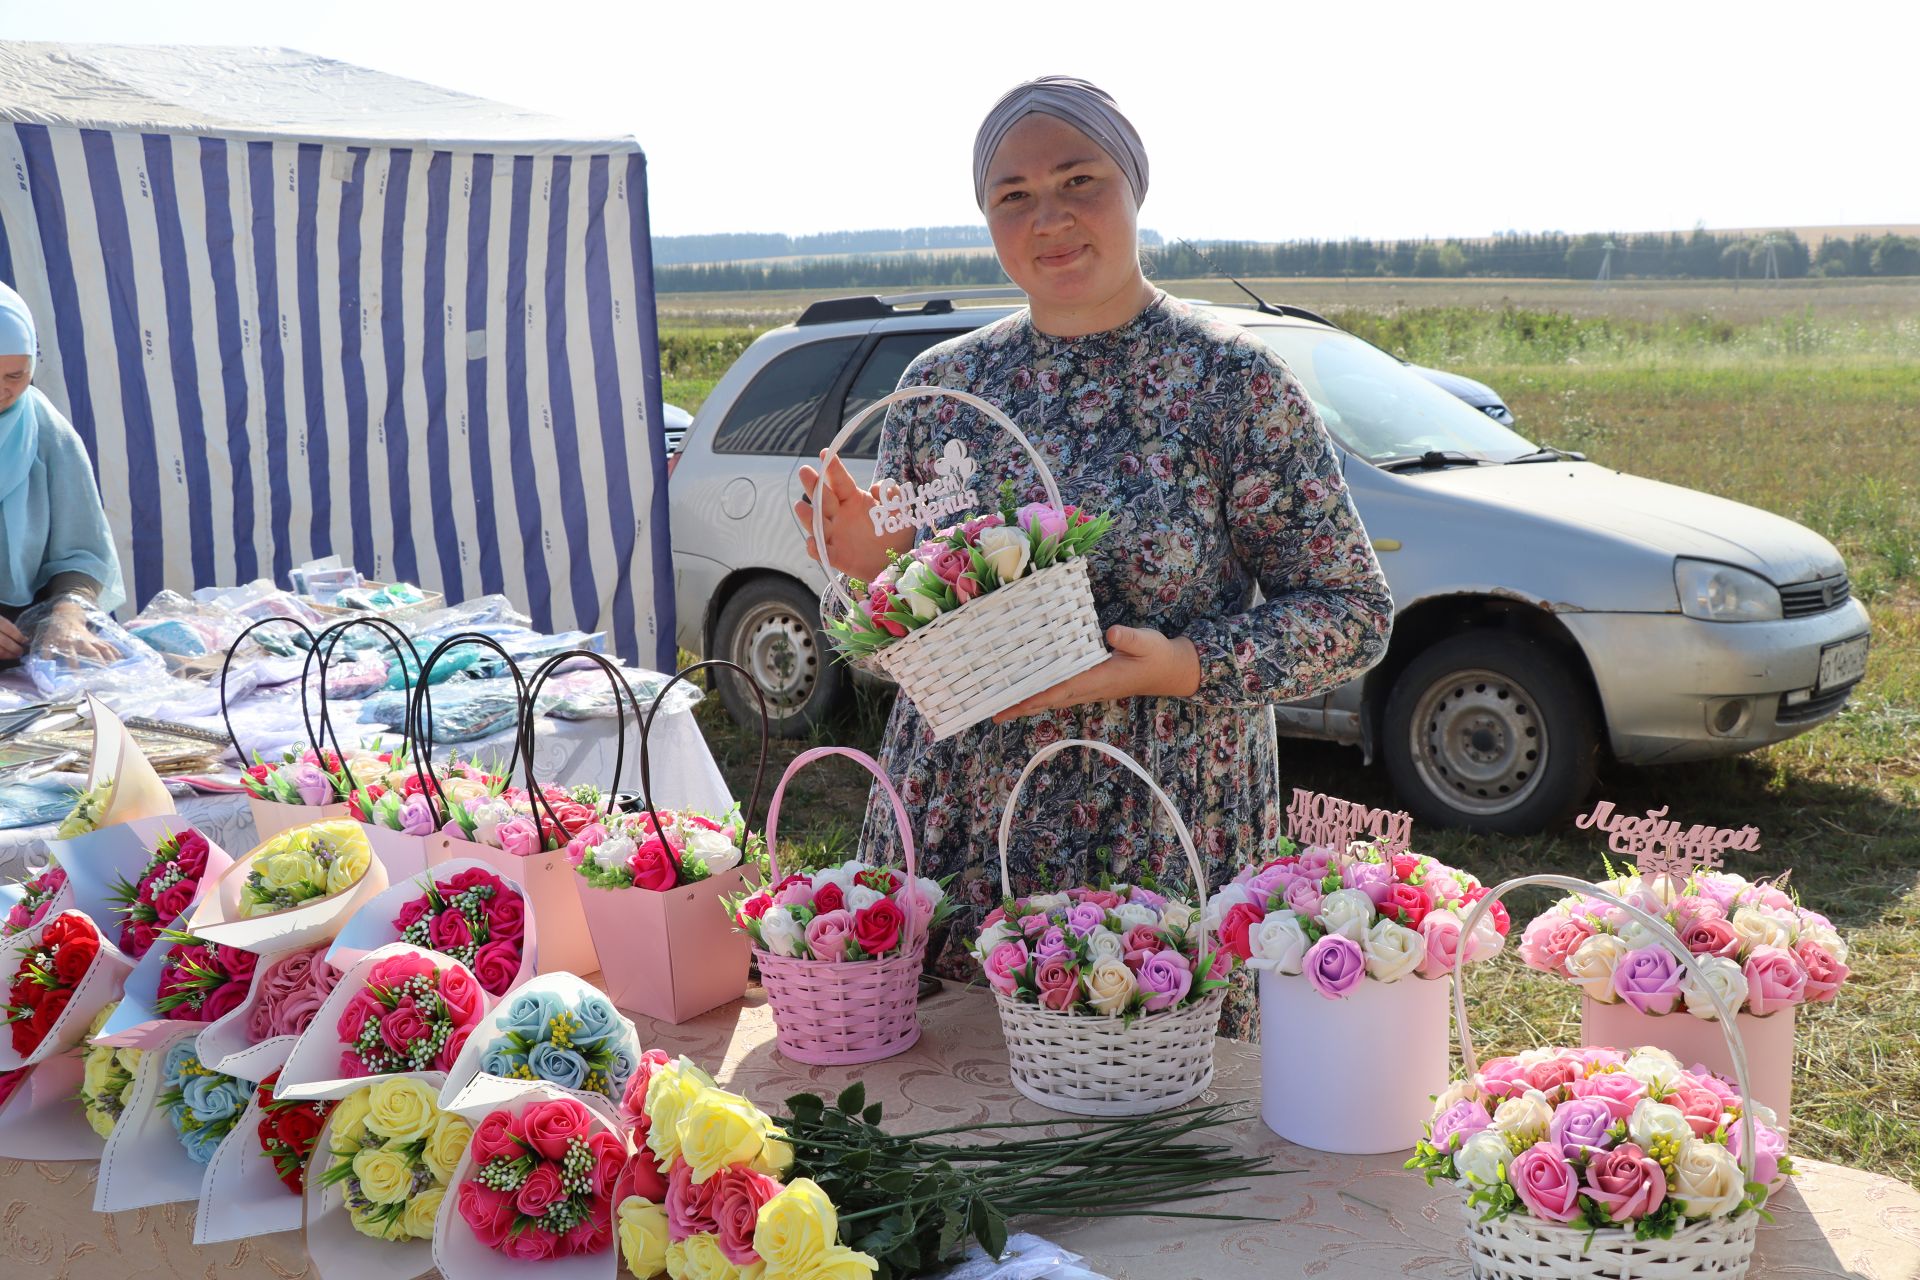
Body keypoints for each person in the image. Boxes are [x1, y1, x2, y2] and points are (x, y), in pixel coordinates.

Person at [795, 76, 1394, 1035]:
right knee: (951, 1129)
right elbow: (886, 656)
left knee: (1151, 1146)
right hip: (958, 827)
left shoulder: (1229, 381)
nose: (1052, 218)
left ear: (1135, 188)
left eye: (1082, 180)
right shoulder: (941, 389)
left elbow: (1352, 613)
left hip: (1160, 822)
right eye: (1015, 195)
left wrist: (1188, 665)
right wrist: (869, 573)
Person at [0, 281, 124, 665]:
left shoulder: (43, 429)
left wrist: (68, 614)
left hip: (25, 657)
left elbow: (83, 551)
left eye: (15, 376)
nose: (1, 390)